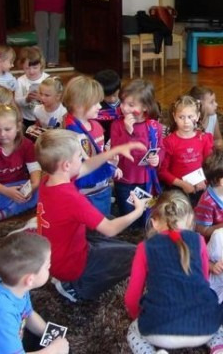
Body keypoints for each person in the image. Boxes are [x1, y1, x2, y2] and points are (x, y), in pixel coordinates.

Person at [124, 191, 223, 354]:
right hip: (205, 327)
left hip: (157, 330)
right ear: (190, 221)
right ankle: (219, 347)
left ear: (153, 222)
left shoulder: (144, 248)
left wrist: (139, 315)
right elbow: (204, 281)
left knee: (133, 332)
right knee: (212, 307)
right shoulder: (199, 240)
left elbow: (132, 296)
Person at [35, 129, 147, 303]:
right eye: (80, 156)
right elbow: (110, 230)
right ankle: (75, 288)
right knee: (136, 254)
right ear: (66, 165)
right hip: (69, 265)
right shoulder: (71, 199)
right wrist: (138, 211)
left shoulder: (49, 179)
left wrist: (115, 151)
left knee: (107, 220)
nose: (82, 160)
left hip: (56, 253)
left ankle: (69, 274)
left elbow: (86, 167)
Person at [61, 75, 116, 216]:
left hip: (101, 185)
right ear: (79, 104)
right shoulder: (72, 133)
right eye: (95, 103)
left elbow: (99, 151)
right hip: (87, 191)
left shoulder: (95, 125)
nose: (100, 106)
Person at [0, 104, 41, 225]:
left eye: (7, 129)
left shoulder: (27, 145)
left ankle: (8, 211)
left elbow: (34, 169)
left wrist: (33, 186)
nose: (2, 134)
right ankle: (15, 206)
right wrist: (7, 192)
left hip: (21, 185)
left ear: (18, 127)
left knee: (42, 189)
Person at [109, 78, 164, 216]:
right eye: (122, 102)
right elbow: (116, 152)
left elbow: (161, 148)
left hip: (147, 180)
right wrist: (128, 132)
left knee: (147, 213)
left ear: (145, 107)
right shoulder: (117, 125)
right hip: (125, 180)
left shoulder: (154, 126)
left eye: (131, 104)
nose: (124, 108)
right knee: (128, 215)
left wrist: (158, 158)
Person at [160, 96, 212, 198]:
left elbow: (210, 164)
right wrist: (182, 184)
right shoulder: (169, 142)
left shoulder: (204, 138)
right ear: (174, 117)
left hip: (200, 185)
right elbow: (162, 172)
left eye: (190, 117)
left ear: (197, 116)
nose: (186, 121)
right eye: (181, 117)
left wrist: (204, 180)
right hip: (177, 188)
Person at [14, 46, 49, 130]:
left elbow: (54, 100)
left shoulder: (47, 79)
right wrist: (27, 99)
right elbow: (17, 101)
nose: (31, 71)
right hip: (27, 119)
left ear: (41, 65)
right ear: (22, 66)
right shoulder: (20, 81)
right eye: (27, 68)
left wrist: (41, 98)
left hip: (44, 118)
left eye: (35, 68)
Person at [93, 68, 122, 140]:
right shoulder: (97, 106)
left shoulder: (126, 101)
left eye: (115, 95)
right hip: (105, 138)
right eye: (107, 96)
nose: (112, 99)